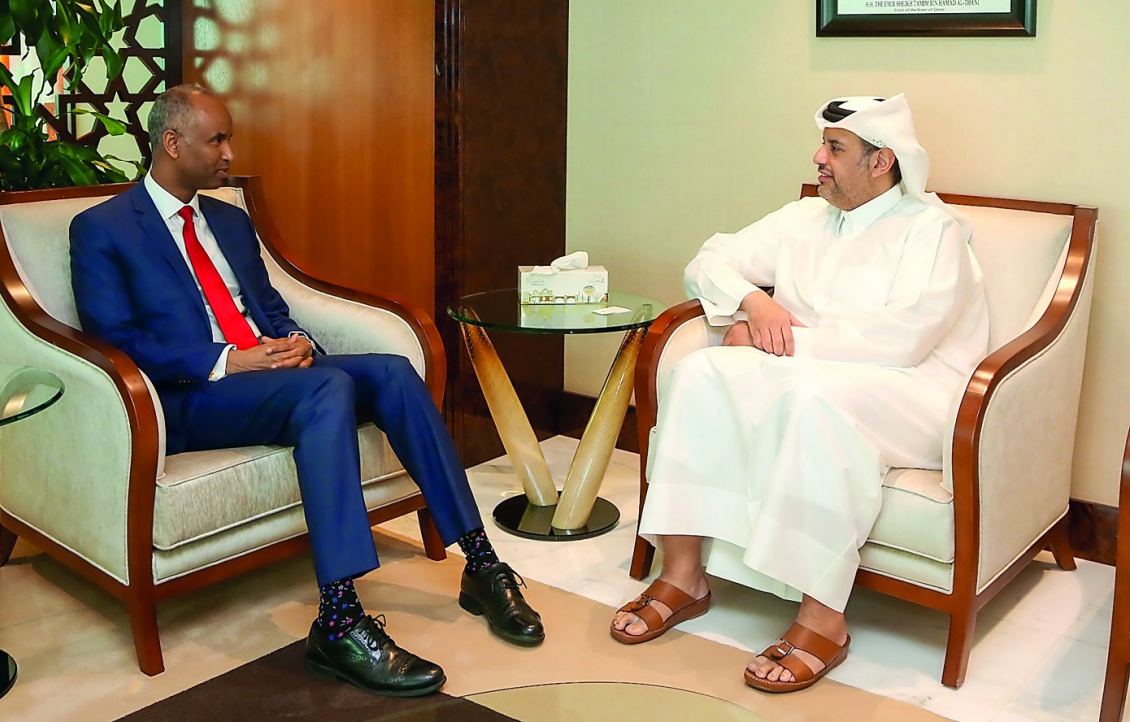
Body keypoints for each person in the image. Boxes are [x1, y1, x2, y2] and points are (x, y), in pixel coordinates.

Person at [70, 85, 544, 698]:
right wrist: (229, 360)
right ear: (171, 143)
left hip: (271, 376)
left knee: (396, 370)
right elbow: (115, 341)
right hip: (189, 397)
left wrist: (294, 342)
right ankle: (340, 620)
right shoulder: (103, 228)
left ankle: (479, 564)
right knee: (326, 392)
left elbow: (268, 305)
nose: (228, 152)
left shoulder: (230, 220)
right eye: (217, 139)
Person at [609, 94, 990, 693]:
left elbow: (901, 340)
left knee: (812, 403)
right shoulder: (804, 217)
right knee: (699, 373)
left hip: (917, 392)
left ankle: (824, 620)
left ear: (881, 161)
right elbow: (710, 259)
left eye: (835, 149)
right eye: (823, 145)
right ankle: (683, 576)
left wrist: (769, 343)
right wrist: (753, 304)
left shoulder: (931, 230)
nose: (819, 158)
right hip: (807, 373)